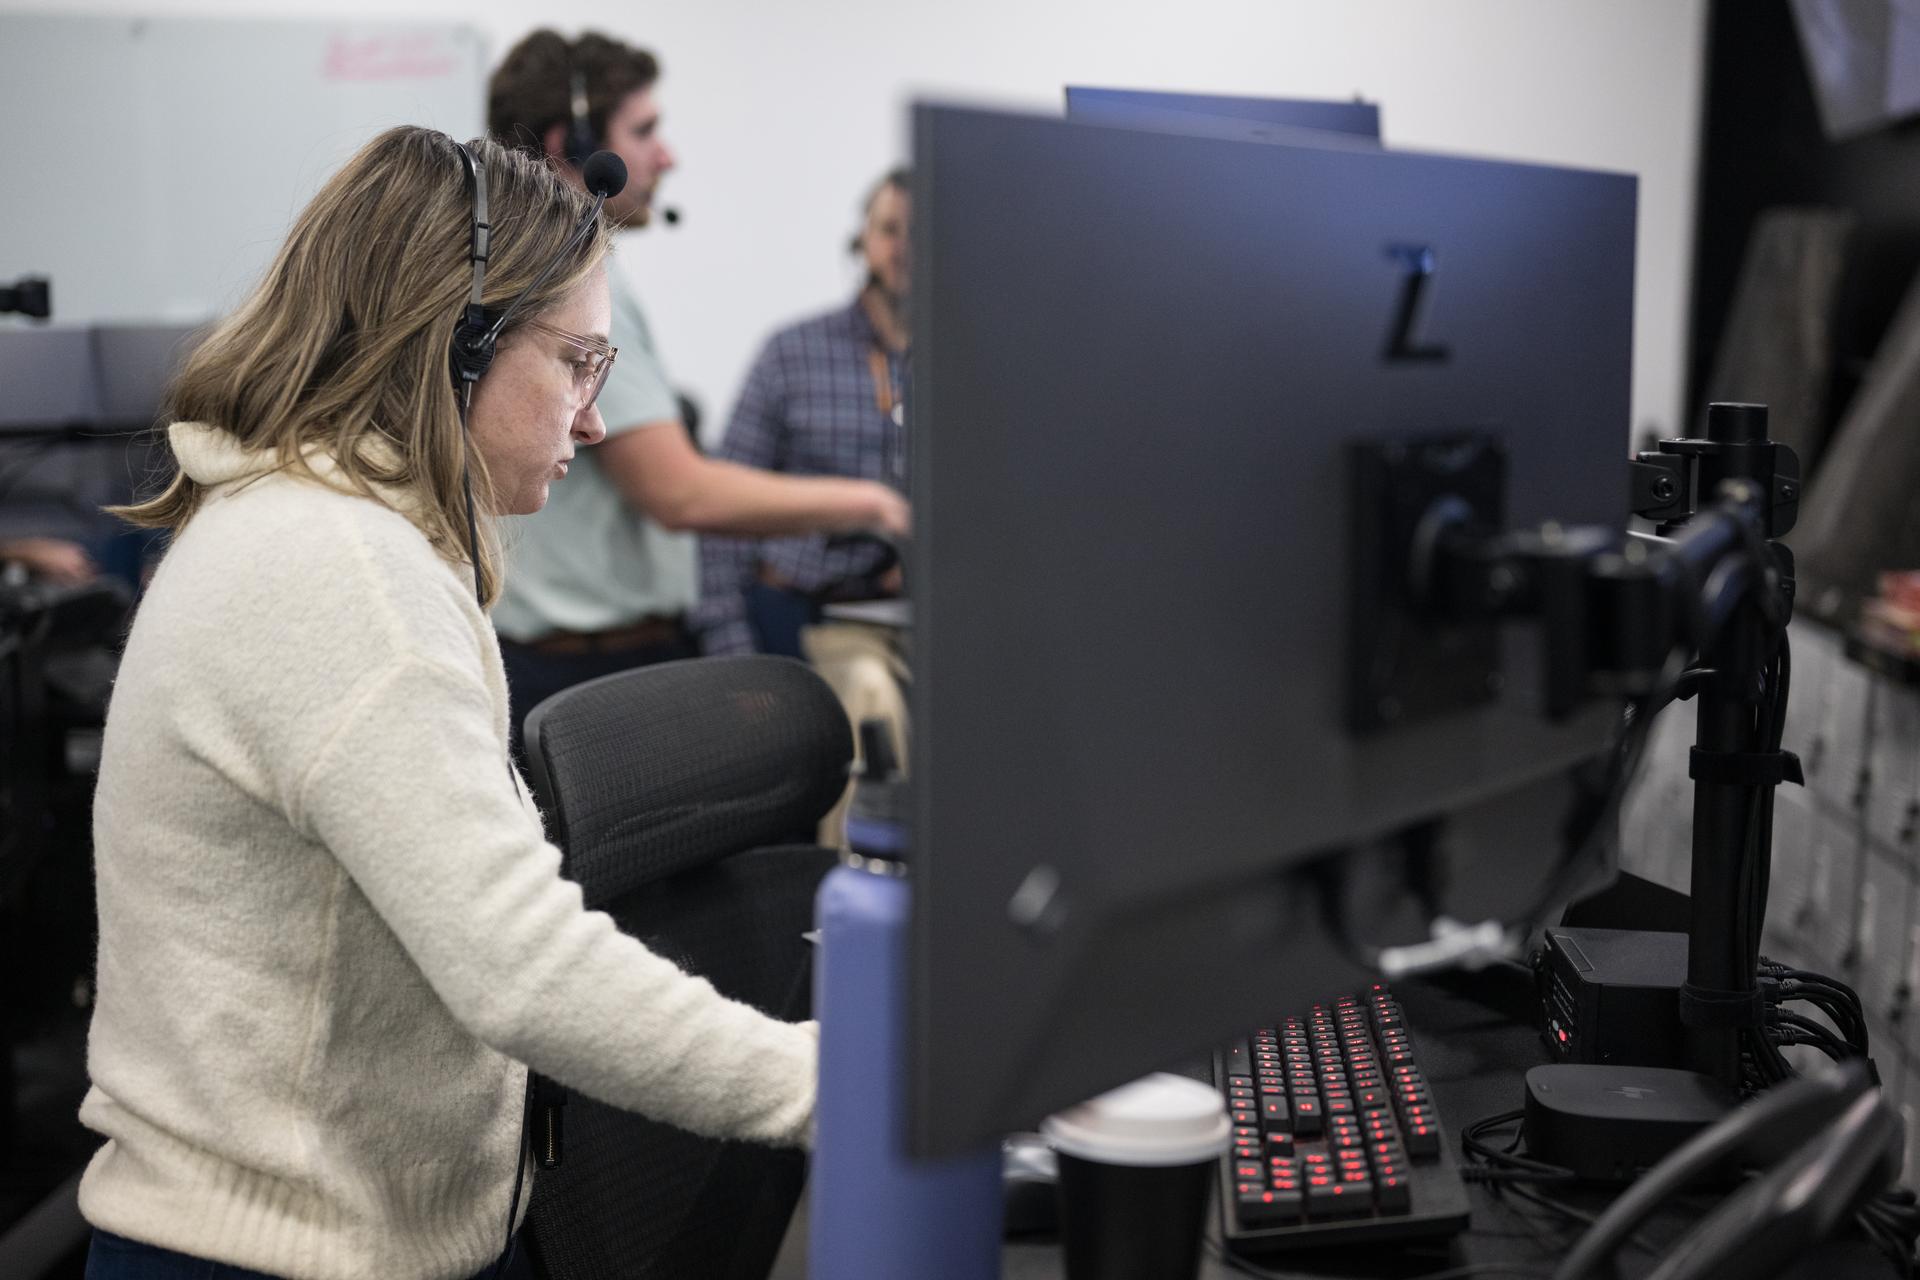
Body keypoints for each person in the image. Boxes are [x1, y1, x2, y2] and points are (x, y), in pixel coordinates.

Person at [78, 127, 815, 1280]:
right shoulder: (338, 573)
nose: (595, 419)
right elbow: (521, 966)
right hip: (281, 1255)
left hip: (336, 1229)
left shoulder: (333, 525)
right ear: (457, 345)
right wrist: (826, 1086)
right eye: (577, 362)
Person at [485, 31, 909, 752]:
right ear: (574, 141)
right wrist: (874, 506)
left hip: (577, 657)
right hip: (586, 670)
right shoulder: (577, 278)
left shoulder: (523, 262)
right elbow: (679, 493)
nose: (667, 156)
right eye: (645, 131)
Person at [693, 170, 915, 843]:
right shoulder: (792, 354)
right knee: (869, 703)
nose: (904, 247)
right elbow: (720, 507)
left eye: (921, 231)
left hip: (912, 613)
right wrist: (731, 651)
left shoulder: (973, 358)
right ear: (861, 240)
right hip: (802, 614)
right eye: (889, 229)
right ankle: (857, 912)